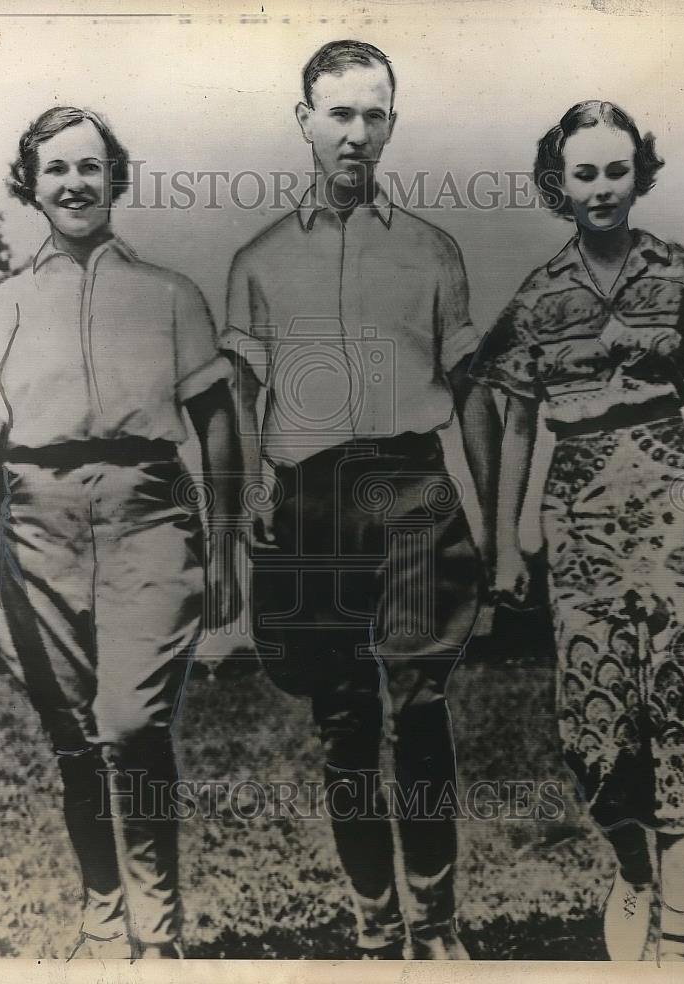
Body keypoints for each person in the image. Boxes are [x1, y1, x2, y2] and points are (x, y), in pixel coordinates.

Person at [468, 100, 684, 962]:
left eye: (616, 170)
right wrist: (508, 540)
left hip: (677, 505)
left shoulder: (678, 273)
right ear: (557, 184)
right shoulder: (538, 295)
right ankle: (634, 874)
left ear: (638, 174)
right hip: (577, 519)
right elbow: (519, 424)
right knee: (595, 717)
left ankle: (679, 935)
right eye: (584, 173)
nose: (602, 189)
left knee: (682, 703)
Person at [0, 106, 241, 959]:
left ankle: (161, 928)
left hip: (149, 514)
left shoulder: (169, 294)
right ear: (31, 186)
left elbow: (218, 421)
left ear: (117, 178)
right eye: (56, 169)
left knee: (133, 723)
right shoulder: (7, 302)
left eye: (91, 167)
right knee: (74, 737)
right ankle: (105, 919)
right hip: (38, 526)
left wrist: (225, 540)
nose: (75, 183)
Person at [220, 40, 500, 959]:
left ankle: (438, 924)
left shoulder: (433, 251)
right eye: (339, 114)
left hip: (413, 492)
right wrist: (251, 492)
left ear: (392, 124)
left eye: (373, 115)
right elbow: (240, 397)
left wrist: (493, 519)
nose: (356, 134)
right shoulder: (256, 260)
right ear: (305, 121)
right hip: (309, 502)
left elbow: (471, 393)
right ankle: (376, 926)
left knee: (421, 707)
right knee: (343, 720)